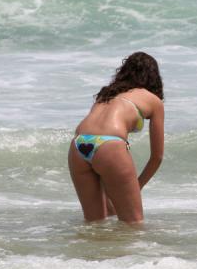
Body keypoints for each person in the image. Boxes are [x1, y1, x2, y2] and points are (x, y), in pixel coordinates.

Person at [68, 52, 164, 224]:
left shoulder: (107, 94)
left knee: (94, 224)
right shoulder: (153, 100)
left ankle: (92, 251)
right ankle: (131, 253)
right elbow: (157, 157)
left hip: (79, 144)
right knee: (133, 224)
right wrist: (136, 186)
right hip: (110, 145)